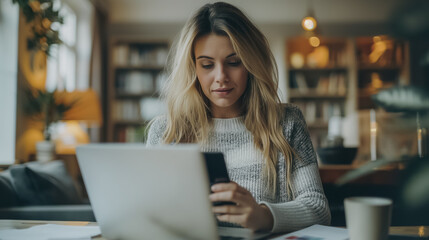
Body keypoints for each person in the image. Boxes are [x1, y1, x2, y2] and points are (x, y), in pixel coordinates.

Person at [146, 1, 331, 233]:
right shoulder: (165, 132)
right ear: (192, 69)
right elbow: (150, 213)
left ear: (251, 63)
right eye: (207, 65)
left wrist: (264, 216)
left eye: (234, 62)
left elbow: (318, 208)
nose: (221, 76)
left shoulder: (287, 122)